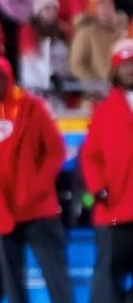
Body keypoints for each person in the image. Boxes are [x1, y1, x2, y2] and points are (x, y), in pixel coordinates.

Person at [0, 56, 72, 303]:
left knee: (56, 277)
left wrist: (37, 186)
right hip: (3, 213)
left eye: (1, 78)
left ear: (10, 79)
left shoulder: (32, 107)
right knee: (12, 284)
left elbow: (56, 151)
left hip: (38, 209)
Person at [81, 40, 133, 303]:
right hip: (113, 209)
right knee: (107, 275)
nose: (130, 69)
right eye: (125, 65)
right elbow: (90, 156)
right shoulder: (103, 110)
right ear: (115, 69)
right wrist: (98, 188)